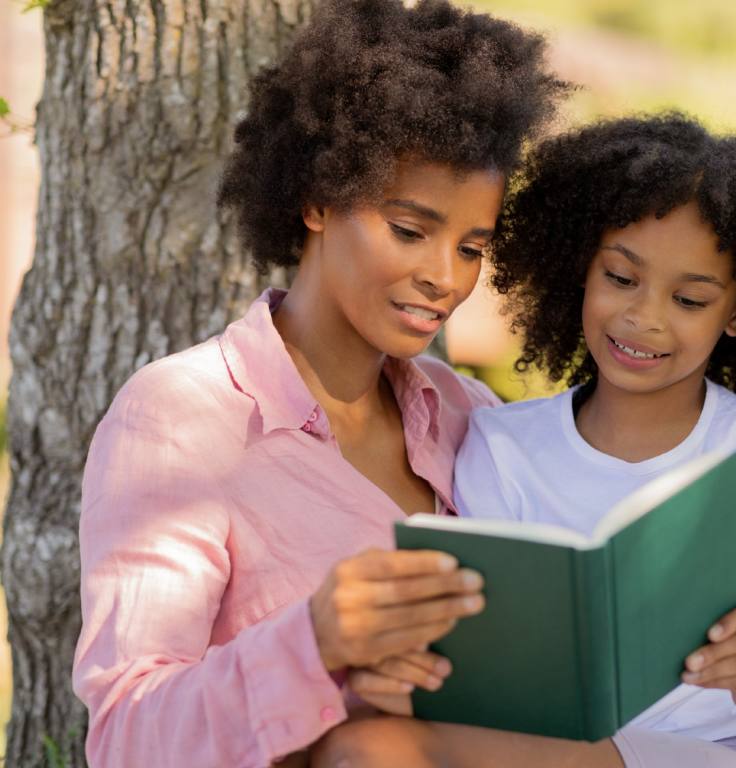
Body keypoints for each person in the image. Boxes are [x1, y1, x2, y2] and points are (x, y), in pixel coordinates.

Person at [311, 113, 736, 768]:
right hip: (562, 746)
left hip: (733, 755)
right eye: (621, 279)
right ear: (581, 270)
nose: (644, 317)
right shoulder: (499, 444)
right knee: (360, 751)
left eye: (689, 300)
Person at [71, 1, 567, 765]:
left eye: (471, 248)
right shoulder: (180, 417)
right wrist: (314, 641)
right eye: (409, 230)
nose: (443, 278)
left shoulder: (469, 413)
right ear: (317, 201)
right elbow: (125, 736)